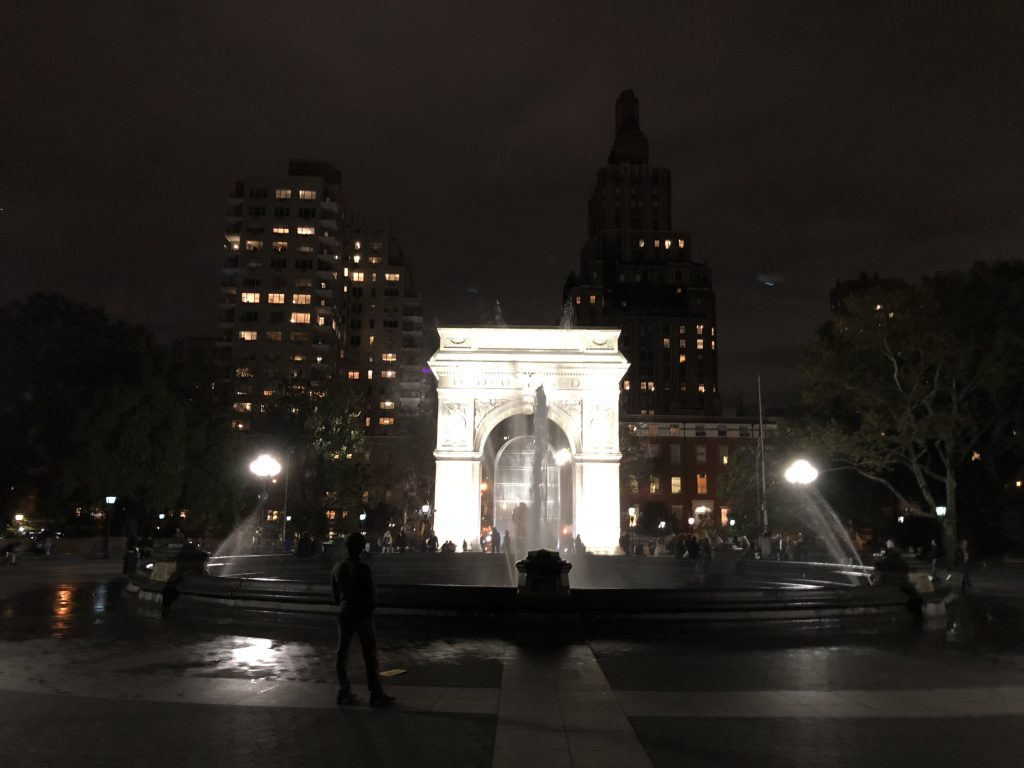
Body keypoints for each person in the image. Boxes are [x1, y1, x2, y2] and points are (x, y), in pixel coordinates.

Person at [330, 532, 396, 709]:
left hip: (345, 614)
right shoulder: (364, 568)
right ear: (360, 548)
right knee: (370, 655)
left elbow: (335, 596)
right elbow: (371, 594)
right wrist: (369, 611)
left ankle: (344, 691)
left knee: (342, 654)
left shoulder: (337, 567)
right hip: (362, 616)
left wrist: (345, 604)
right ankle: (376, 694)